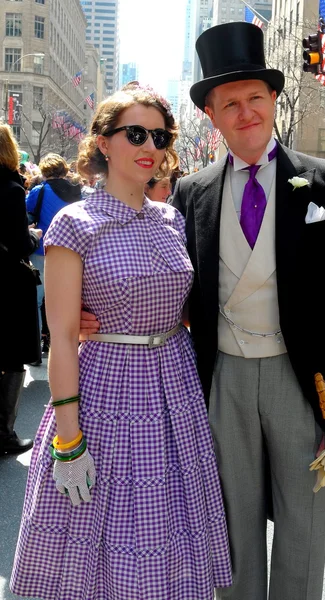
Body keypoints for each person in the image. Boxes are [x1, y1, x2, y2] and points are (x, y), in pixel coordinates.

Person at [170, 22, 325, 600]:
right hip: (225, 378)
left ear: (274, 99)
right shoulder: (192, 191)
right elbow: (171, 284)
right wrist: (101, 320)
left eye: (255, 97)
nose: (245, 112)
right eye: (229, 102)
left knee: (304, 527)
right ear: (211, 114)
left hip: (303, 380)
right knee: (231, 529)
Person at [11, 85, 231, 600]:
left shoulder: (172, 219)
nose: (149, 144)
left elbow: (184, 310)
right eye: (135, 132)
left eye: (159, 135)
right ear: (103, 143)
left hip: (174, 392)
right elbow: (62, 338)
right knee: (100, 529)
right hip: (105, 388)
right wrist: (69, 441)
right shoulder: (74, 224)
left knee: (172, 528)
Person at [0, 124, 42, 455]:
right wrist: (33, 236)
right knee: (12, 358)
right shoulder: (11, 190)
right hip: (7, 286)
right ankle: (4, 433)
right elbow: (19, 245)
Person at [26, 153, 81, 360]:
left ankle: (36, 349)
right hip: (73, 252)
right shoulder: (78, 192)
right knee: (70, 300)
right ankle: (70, 344)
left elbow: (27, 215)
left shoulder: (38, 191)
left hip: (42, 250)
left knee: (38, 298)